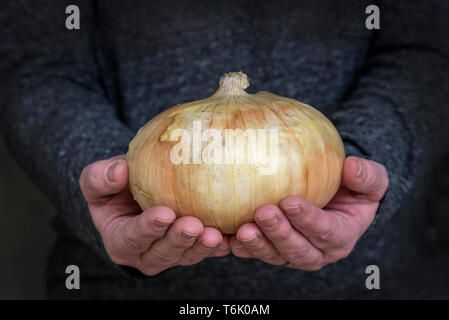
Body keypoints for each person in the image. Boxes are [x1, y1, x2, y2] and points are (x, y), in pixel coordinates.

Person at [1, 0, 448, 299]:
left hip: (378, 282)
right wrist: (108, 173)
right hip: (114, 283)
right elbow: (38, 67)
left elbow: (428, 47)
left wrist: (359, 161)